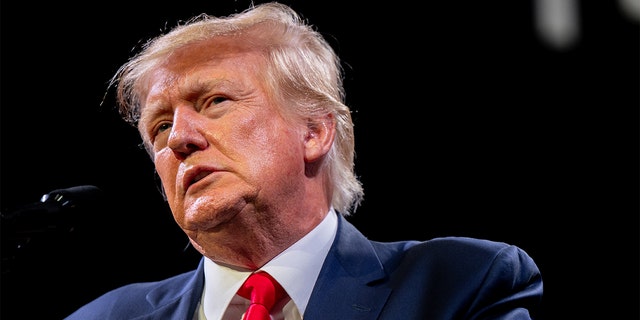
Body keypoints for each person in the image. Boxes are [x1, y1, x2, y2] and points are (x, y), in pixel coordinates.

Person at [64, 2, 543, 319]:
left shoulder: (460, 285)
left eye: (215, 102)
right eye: (161, 126)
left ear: (313, 131)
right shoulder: (100, 317)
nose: (181, 139)